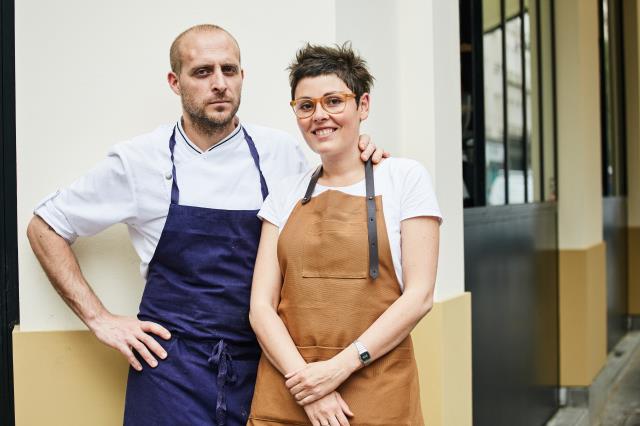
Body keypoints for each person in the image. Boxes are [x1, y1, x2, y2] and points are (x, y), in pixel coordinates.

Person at [26, 25, 384, 426]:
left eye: (229, 70)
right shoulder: (139, 161)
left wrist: (362, 153)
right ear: (174, 82)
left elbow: (335, 194)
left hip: (264, 365)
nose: (219, 84)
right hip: (169, 372)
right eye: (202, 72)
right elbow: (45, 227)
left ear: (242, 77)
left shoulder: (281, 153)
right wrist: (100, 320)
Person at [247, 43, 441, 426]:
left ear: (363, 106)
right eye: (306, 106)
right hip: (290, 389)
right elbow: (261, 307)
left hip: (376, 387)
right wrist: (306, 384)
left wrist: (337, 369)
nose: (319, 115)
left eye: (334, 101)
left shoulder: (404, 178)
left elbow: (419, 296)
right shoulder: (285, 193)